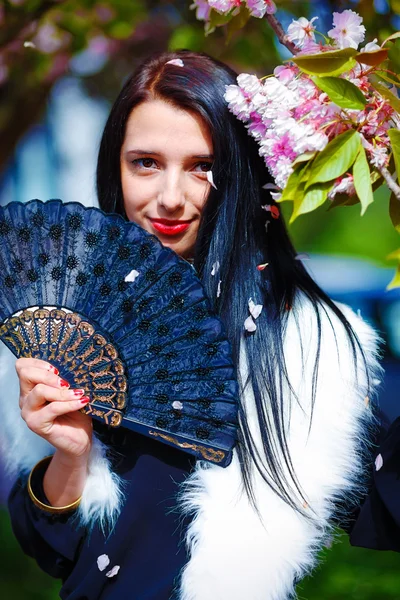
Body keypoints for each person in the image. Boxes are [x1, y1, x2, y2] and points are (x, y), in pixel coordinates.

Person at [2, 49, 381, 600]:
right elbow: (50, 547)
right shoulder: (69, 316)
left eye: (203, 167)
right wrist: (70, 454)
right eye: (146, 163)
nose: (171, 198)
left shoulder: (305, 340)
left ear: (238, 176)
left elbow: (381, 501)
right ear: (116, 168)